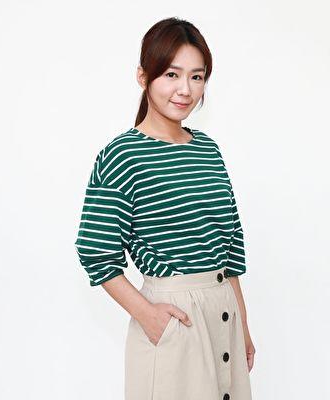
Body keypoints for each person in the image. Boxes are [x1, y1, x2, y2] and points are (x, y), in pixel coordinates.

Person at [74, 17, 255, 400]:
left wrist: (243, 328)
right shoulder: (123, 155)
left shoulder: (208, 150)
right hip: (176, 320)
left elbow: (231, 250)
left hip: (224, 314)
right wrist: (149, 316)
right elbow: (94, 250)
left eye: (197, 76)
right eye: (172, 74)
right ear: (144, 76)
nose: (185, 89)